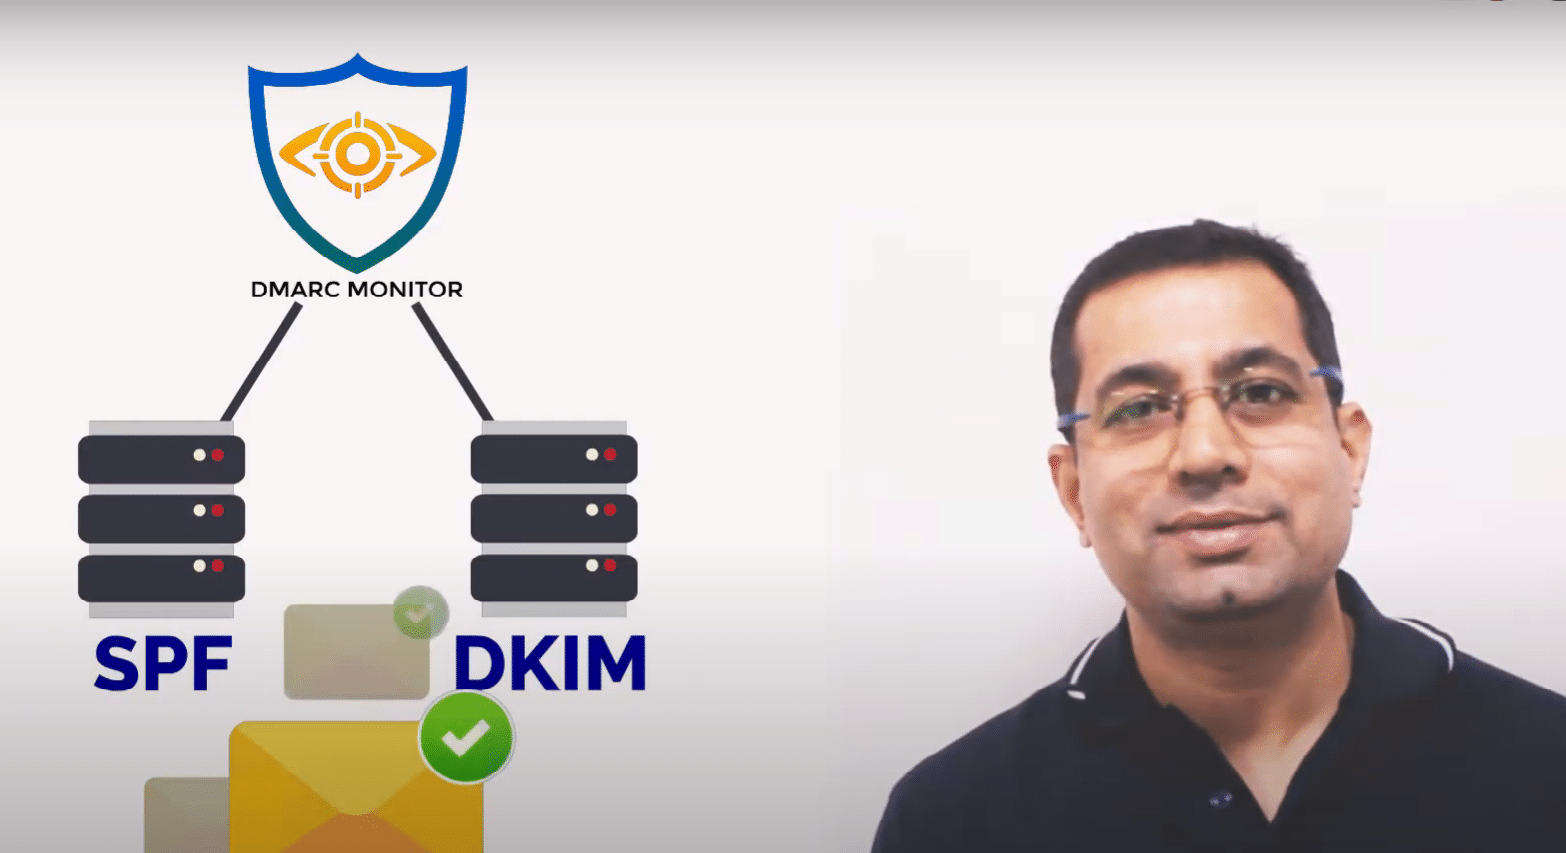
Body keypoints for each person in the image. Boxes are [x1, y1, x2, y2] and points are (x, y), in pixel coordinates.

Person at [869, 219, 1566, 851]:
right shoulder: (953, 820)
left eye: (1260, 392)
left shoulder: (1544, 766)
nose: (1205, 453)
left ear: (1349, 450)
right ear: (1074, 491)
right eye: (1139, 408)